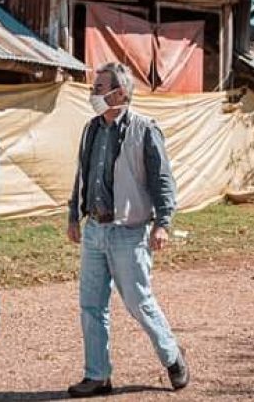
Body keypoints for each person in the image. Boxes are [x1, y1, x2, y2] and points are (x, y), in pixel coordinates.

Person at [66, 62, 189, 397]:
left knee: (138, 303)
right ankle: (98, 375)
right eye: (94, 88)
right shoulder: (91, 128)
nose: (94, 93)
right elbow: (83, 175)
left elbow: (162, 180)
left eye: (99, 87)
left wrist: (163, 223)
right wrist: (73, 216)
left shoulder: (144, 128)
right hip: (95, 230)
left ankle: (172, 356)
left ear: (119, 92)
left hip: (129, 232)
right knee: (91, 305)